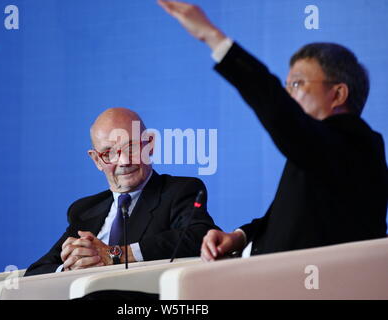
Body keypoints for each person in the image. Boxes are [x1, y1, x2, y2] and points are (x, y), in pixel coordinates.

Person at [157, 0, 387, 262]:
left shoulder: (355, 143)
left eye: (297, 84)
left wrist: (213, 37)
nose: (289, 95)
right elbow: (284, 217)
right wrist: (239, 236)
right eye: (287, 86)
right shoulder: (323, 150)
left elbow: (279, 110)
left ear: (338, 94)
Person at [0, 107, 219, 299]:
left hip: (125, 300)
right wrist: (70, 266)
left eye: (132, 147)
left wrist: (114, 254)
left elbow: (196, 237)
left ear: (150, 144)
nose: (124, 161)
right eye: (109, 153)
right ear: (97, 160)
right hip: (65, 292)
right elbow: (38, 270)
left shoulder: (180, 190)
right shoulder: (84, 210)